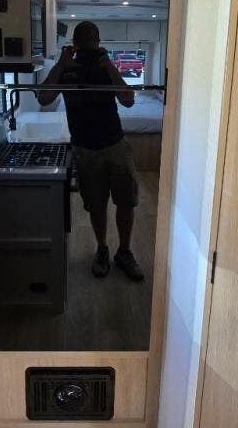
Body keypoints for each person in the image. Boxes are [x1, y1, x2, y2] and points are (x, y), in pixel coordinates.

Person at [37, 21, 144, 281]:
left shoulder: (106, 69)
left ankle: (125, 252)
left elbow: (128, 100)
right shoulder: (65, 70)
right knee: (96, 205)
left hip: (115, 145)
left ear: (98, 43)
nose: (86, 48)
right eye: (82, 43)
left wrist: (109, 65)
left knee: (126, 201)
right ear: (74, 45)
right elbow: (43, 98)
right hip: (85, 150)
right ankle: (102, 249)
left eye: (90, 43)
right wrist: (61, 64)